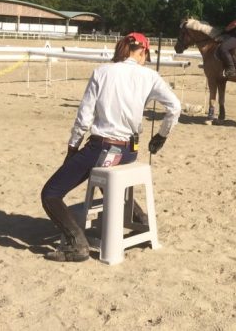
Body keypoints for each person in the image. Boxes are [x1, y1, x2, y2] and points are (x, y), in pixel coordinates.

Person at [40, 32, 181, 262]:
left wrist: (73, 148)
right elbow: (174, 107)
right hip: (129, 151)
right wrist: (161, 136)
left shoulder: (101, 72)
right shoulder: (150, 76)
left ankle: (77, 245)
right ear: (143, 51)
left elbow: (84, 118)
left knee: (50, 194)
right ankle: (141, 221)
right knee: (109, 176)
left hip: (102, 147)